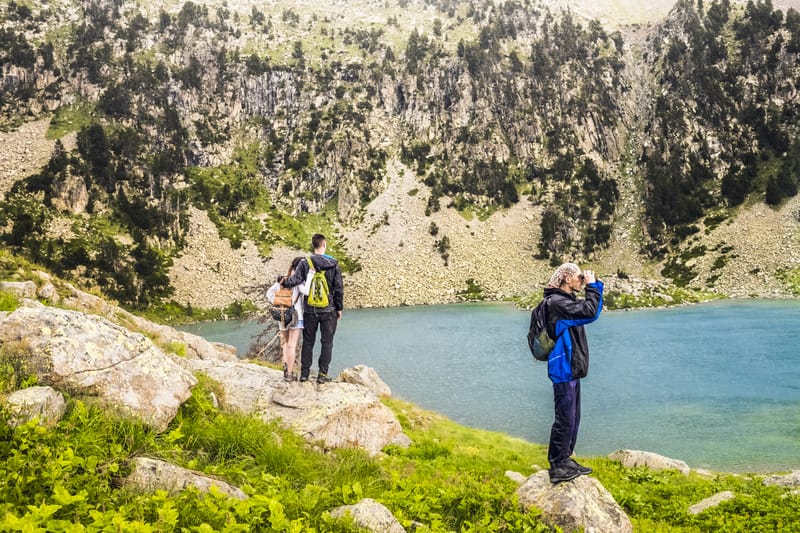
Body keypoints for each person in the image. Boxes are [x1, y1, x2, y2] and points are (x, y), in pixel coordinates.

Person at [542, 262, 603, 484]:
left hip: (570, 368)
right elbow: (589, 312)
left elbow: (586, 310)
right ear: (567, 278)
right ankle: (557, 465)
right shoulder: (557, 303)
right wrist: (593, 286)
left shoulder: (564, 301)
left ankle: (565, 459)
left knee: (573, 417)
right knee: (565, 418)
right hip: (563, 369)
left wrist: (592, 286)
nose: (582, 280)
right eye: (579, 277)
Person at [280, 233, 344, 384]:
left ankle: (304, 374)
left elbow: (293, 281)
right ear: (324, 245)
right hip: (329, 310)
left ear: (313, 245)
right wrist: (339, 308)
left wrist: (280, 280)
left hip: (309, 310)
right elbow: (339, 288)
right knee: (327, 342)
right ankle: (322, 374)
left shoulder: (305, 262)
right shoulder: (333, 263)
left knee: (308, 342)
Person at [266, 256, 314, 382]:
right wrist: (309, 276)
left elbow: (269, 294)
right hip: (296, 315)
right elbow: (306, 291)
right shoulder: (297, 280)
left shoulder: (282, 279)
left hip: (282, 315)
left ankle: (285, 369)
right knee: (292, 345)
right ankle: (290, 373)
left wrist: (278, 303)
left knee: (286, 344)